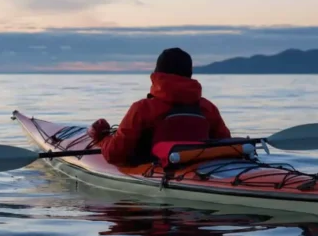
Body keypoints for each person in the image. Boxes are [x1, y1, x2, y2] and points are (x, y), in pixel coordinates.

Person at [88, 47, 231, 165]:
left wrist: (102, 139)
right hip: (200, 170)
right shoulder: (207, 108)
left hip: (155, 172)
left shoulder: (143, 109)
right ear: (189, 74)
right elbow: (226, 146)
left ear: (157, 74)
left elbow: (115, 155)